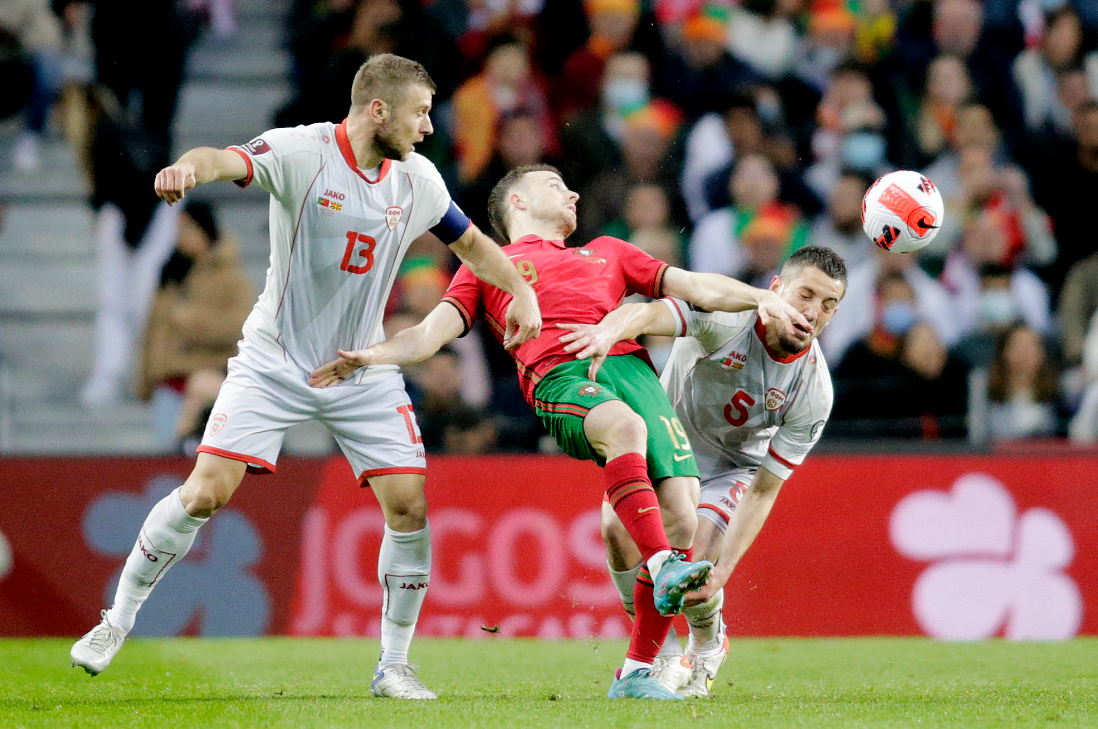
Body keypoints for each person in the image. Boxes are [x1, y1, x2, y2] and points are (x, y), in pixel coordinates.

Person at [69, 54, 542, 701]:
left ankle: (394, 666)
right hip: (275, 361)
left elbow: (472, 245)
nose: (430, 127)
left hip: (361, 365)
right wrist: (188, 169)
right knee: (206, 491)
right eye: (421, 112)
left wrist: (518, 286)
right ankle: (113, 622)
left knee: (409, 505)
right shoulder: (304, 151)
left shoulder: (418, 179)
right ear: (379, 109)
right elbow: (227, 159)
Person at [308, 164, 811, 700]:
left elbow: (694, 287)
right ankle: (662, 568)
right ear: (517, 204)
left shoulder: (610, 251)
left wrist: (762, 298)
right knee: (625, 433)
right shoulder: (490, 265)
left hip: (634, 371)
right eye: (554, 185)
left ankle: (637, 672)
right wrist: (375, 355)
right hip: (563, 371)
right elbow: (432, 333)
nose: (572, 191)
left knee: (683, 517)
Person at [559, 245, 847, 697]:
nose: (814, 312)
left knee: (694, 572)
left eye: (829, 305)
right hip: (665, 450)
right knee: (617, 537)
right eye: (806, 295)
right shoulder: (726, 317)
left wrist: (724, 570)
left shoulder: (815, 391)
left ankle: (709, 643)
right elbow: (650, 316)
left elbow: (765, 491)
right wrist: (609, 330)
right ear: (776, 289)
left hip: (733, 471)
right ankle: (667, 653)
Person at [135, 201, 254, 450]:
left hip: (208, 384)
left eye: (189, 229)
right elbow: (153, 330)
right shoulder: (171, 274)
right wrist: (146, 378)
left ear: (205, 230)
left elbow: (241, 328)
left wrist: (194, 322)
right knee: (166, 456)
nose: (182, 237)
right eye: (179, 230)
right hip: (168, 381)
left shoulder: (231, 277)